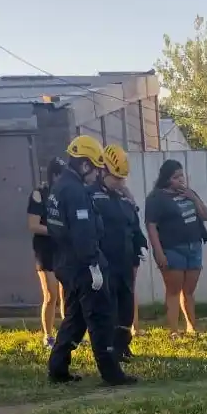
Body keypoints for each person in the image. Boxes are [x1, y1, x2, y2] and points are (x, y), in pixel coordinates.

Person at [46, 135, 136, 386]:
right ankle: (111, 372)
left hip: (66, 262)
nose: (98, 173)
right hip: (83, 265)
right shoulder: (75, 192)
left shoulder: (60, 186)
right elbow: (83, 232)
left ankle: (58, 367)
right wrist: (93, 264)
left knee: (75, 319)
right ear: (85, 164)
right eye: (96, 168)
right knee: (100, 318)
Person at [89, 143, 148, 362]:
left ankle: (123, 345)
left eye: (123, 178)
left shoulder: (124, 197)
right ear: (103, 171)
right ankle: (108, 348)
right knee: (108, 306)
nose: (120, 182)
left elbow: (133, 223)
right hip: (104, 261)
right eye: (116, 178)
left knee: (126, 304)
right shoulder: (91, 195)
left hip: (125, 260)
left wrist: (140, 243)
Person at [144, 159, 207, 337]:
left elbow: (205, 215)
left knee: (189, 291)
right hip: (172, 248)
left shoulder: (189, 193)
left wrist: (193, 197)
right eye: (175, 177)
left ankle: (191, 327)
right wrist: (159, 252)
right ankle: (174, 330)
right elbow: (151, 227)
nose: (180, 179)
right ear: (166, 179)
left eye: (182, 175)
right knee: (173, 291)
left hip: (194, 246)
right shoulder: (156, 198)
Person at [27, 157, 67, 347]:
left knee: (66, 293)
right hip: (45, 249)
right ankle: (48, 335)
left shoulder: (66, 194)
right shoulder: (39, 193)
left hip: (63, 249)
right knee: (51, 294)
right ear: (54, 175)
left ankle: (68, 333)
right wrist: (56, 230)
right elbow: (33, 225)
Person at [118, 181, 147, 360]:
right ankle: (112, 345)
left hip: (129, 254)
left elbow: (135, 226)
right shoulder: (100, 199)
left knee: (128, 296)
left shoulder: (127, 203)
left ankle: (124, 342)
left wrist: (141, 245)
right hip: (111, 258)